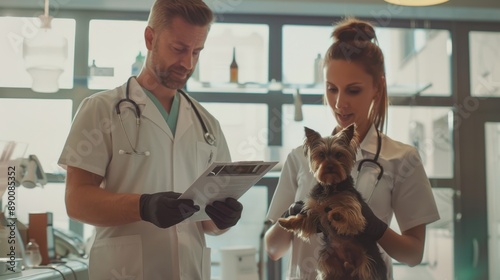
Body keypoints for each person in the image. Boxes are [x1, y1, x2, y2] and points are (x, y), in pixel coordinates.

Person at [58, 0, 243, 279]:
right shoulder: (101, 109)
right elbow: (76, 200)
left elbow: (208, 223)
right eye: (179, 49)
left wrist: (223, 220)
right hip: (125, 271)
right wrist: (143, 207)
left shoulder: (208, 124)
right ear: (150, 38)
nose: (188, 63)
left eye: (197, 51)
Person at [264, 17, 440, 280]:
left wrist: (375, 228)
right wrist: (292, 216)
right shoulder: (300, 158)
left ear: (377, 87)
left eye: (353, 91)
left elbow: (413, 255)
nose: (340, 103)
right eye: (331, 89)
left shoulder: (402, 159)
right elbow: (273, 249)